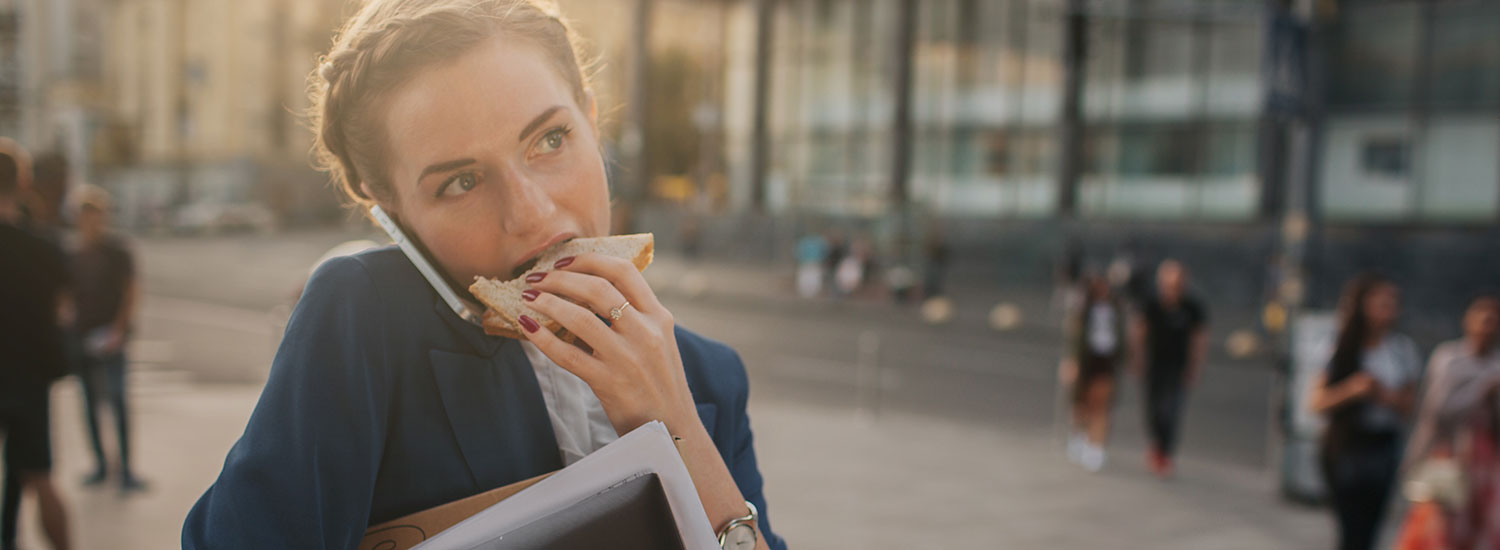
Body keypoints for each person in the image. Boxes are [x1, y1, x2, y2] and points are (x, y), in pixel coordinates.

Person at [182, 2, 785, 548]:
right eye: (461, 182)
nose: (532, 213)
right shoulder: (365, 323)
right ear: (393, 215)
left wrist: (674, 426)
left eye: (551, 139)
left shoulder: (709, 377)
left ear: (592, 120)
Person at [1309, 275, 1421, 550]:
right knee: (1350, 528)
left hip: (1382, 446)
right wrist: (1353, 390)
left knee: (1371, 527)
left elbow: (1409, 407)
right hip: (1346, 446)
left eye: (1393, 303)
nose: (1389, 310)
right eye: (1382, 303)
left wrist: (1383, 395)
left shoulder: (1401, 350)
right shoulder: (1340, 346)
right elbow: (1317, 402)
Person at [0, 149, 72, 550]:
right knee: (41, 478)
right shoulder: (45, 249)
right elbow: (64, 312)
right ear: (23, 184)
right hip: (30, 379)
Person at [1399, 295, 1500, 548]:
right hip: (1447, 455)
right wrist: (1482, 390)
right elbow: (1437, 409)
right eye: (1483, 318)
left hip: (1485, 460)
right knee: (1439, 529)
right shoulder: (1449, 358)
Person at [68, 185, 146, 492]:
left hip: (112, 337)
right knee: (89, 404)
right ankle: (100, 464)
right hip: (81, 336)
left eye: (97, 216)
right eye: (86, 216)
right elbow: (65, 295)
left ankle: (125, 468)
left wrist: (119, 329)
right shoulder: (72, 253)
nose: (92, 222)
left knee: (117, 400)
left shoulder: (117, 251)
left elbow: (131, 292)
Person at [1129, 259, 1208, 478]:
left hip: (1178, 367)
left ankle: (1165, 452)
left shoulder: (1192, 307)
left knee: (1172, 411)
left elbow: (1199, 339)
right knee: (1153, 409)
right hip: (1155, 366)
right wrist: (1137, 359)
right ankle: (1157, 446)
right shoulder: (1151, 304)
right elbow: (1139, 331)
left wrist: (1195, 366)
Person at [1061, 274, 1127, 472]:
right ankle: (1078, 435)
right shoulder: (1083, 309)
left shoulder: (1116, 309)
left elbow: (1123, 338)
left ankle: (1096, 446)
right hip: (1086, 360)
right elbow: (1074, 339)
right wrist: (1072, 362)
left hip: (1105, 361)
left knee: (1101, 404)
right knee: (1081, 404)